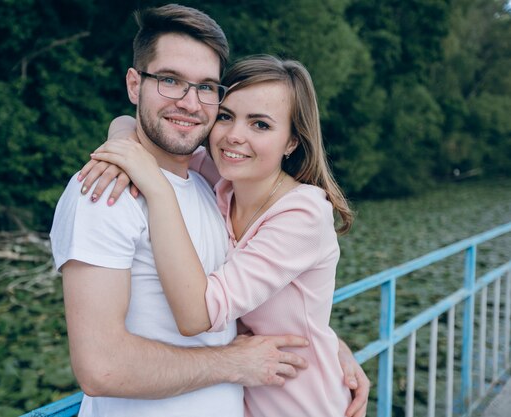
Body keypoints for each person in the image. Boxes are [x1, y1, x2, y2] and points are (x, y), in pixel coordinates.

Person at [51, 4, 368, 417]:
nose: (189, 102)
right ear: (135, 84)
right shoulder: (108, 191)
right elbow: (102, 368)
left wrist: (326, 342)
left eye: (205, 88)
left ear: (292, 141)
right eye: (169, 80)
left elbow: (240, 304)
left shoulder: (209, 183)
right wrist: (234, 363)